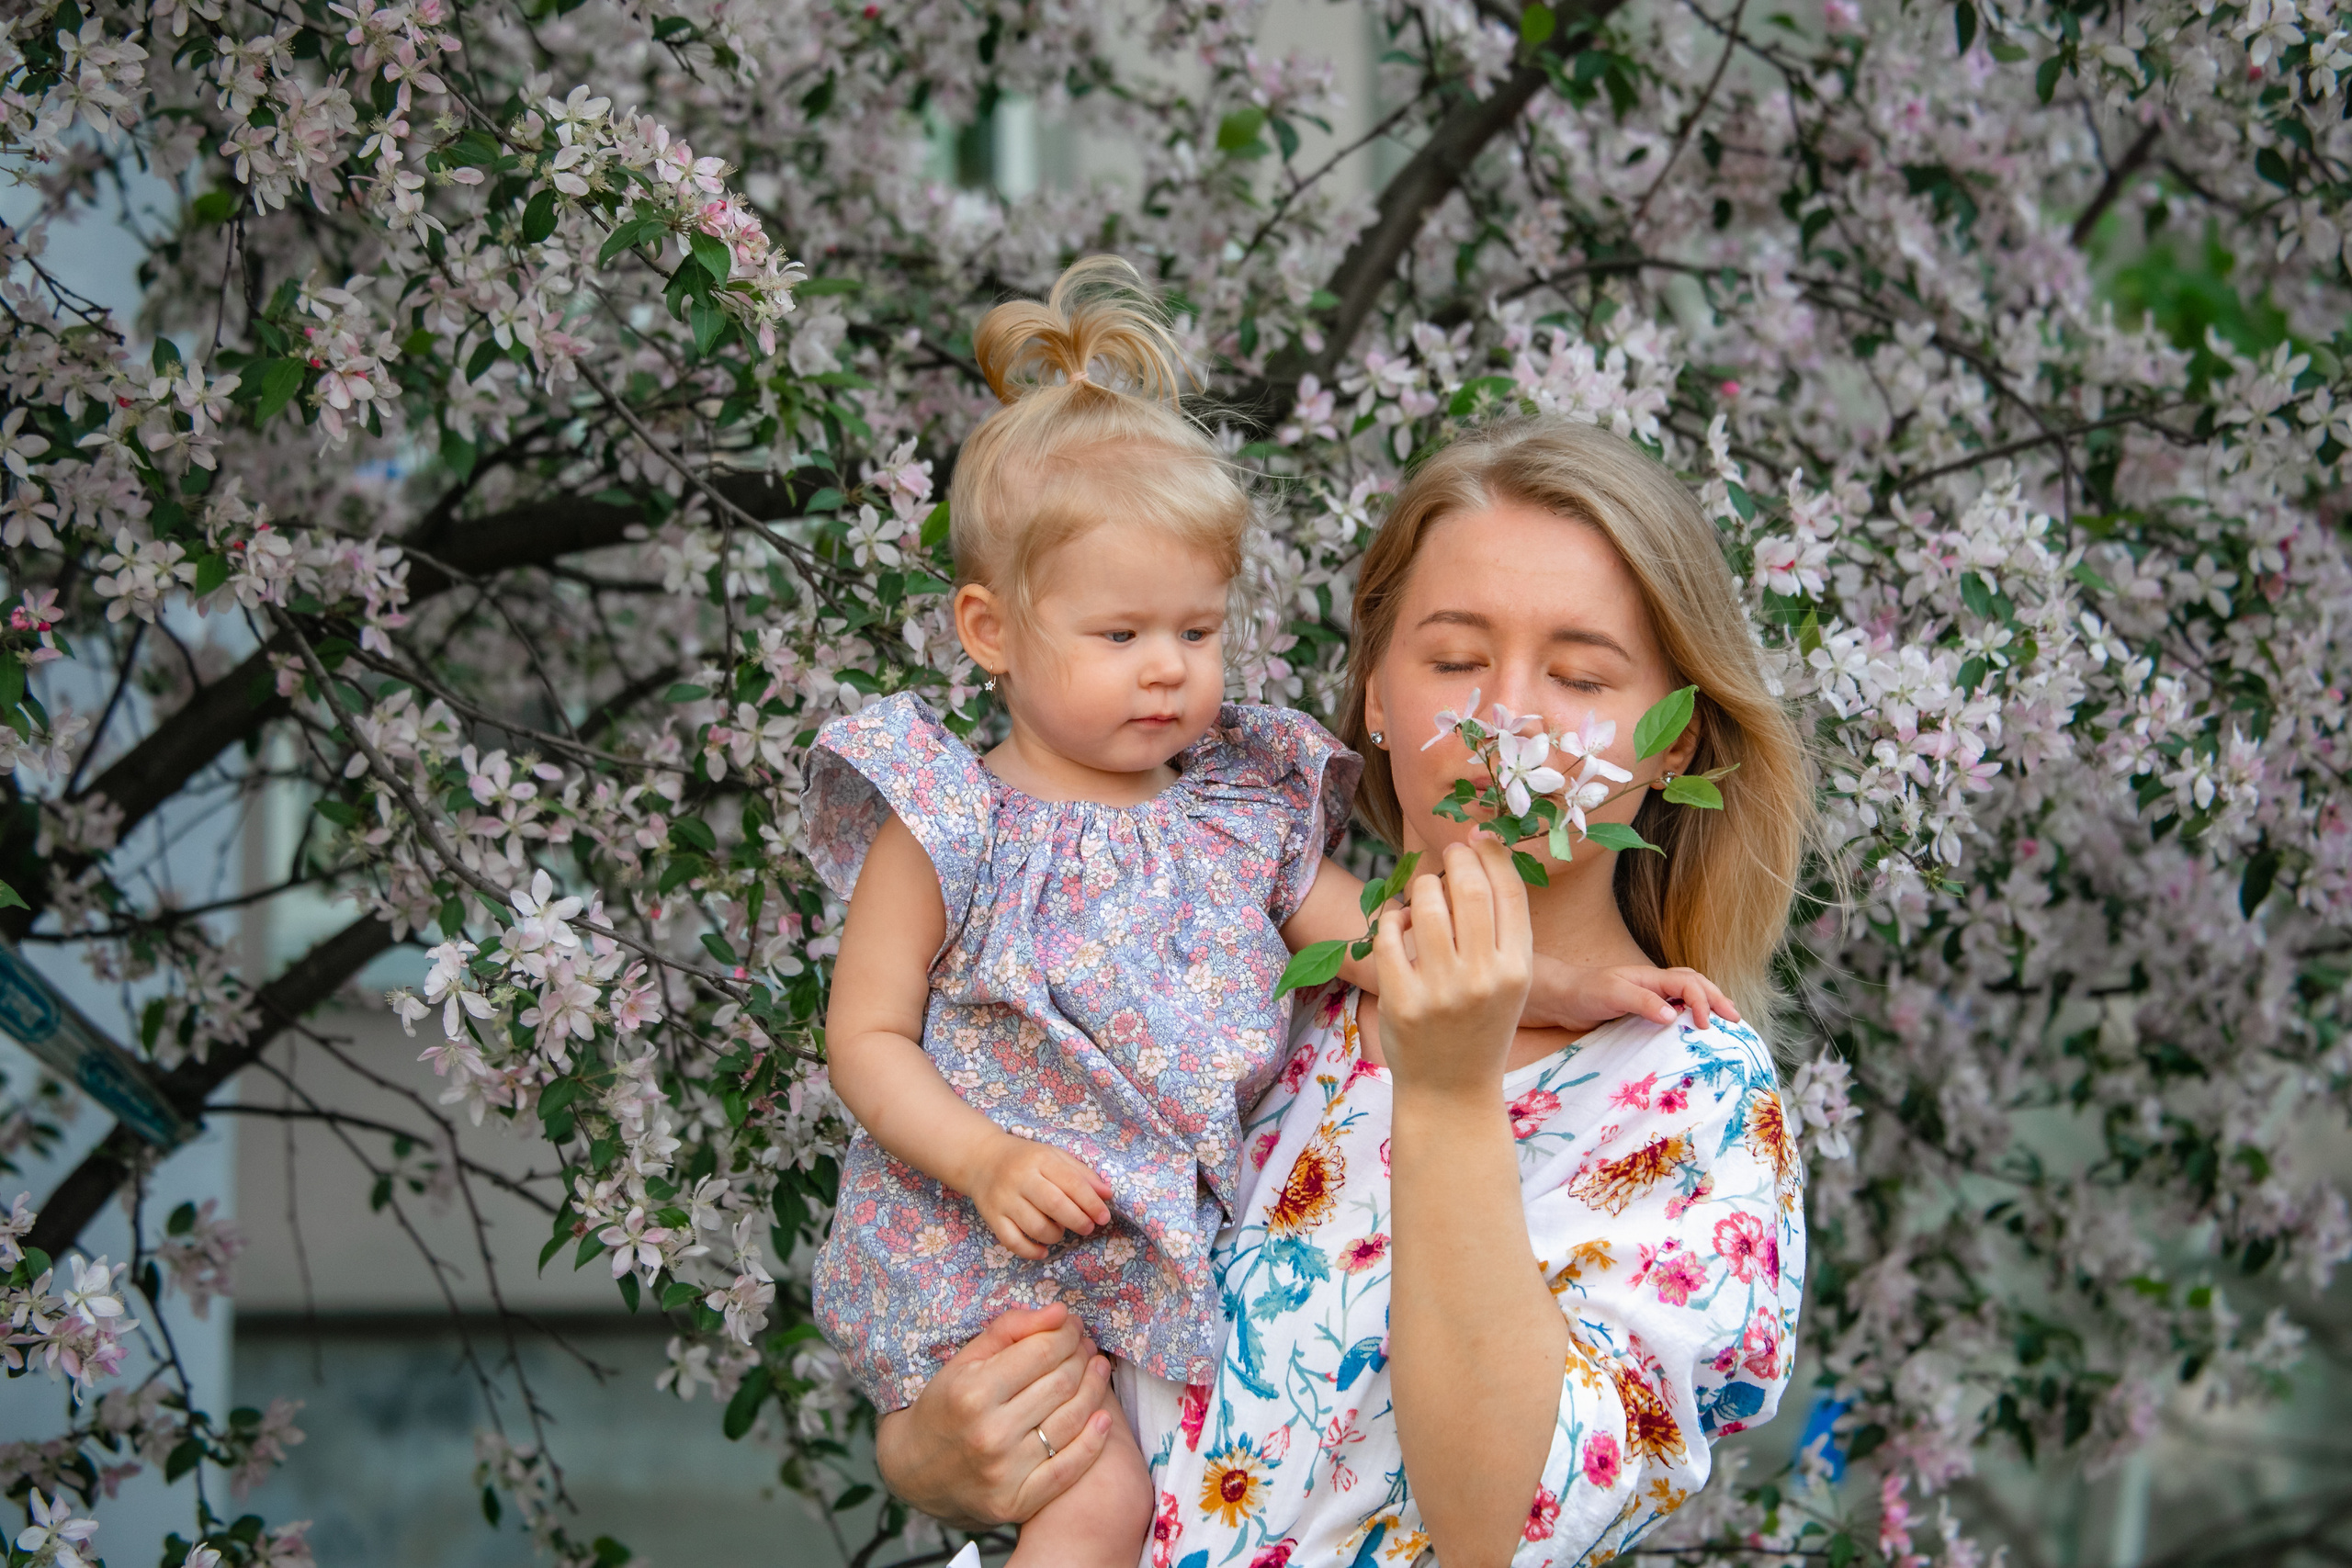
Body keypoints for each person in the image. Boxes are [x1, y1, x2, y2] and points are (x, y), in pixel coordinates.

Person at [803, 263, 1738, 1568]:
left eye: (1579, 674)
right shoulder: (1289, 1006)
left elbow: (1502, 1527)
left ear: (1669, 734)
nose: (1508, 719)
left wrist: (1532, 1023)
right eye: (1455, 661)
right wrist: (932, 1452)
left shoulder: (1681, 1092)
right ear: (1371, 694)